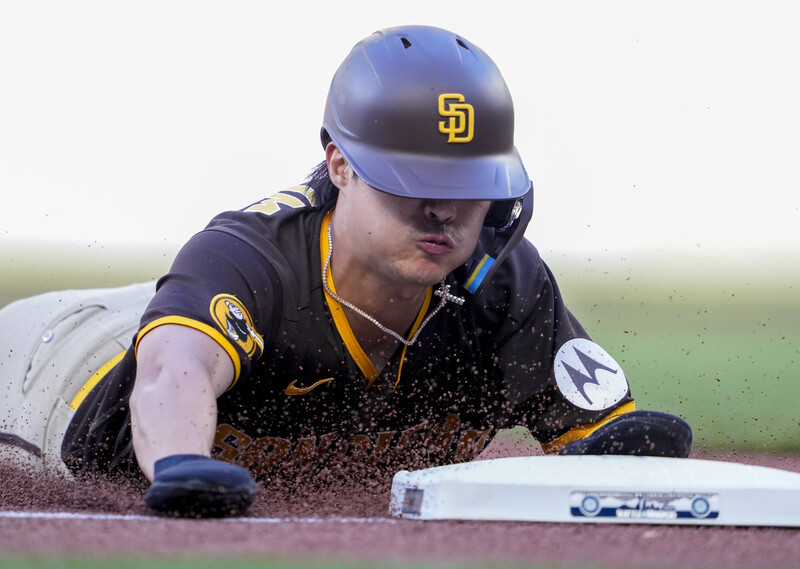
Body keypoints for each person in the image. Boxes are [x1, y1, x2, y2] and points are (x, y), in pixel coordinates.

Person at [0, 25, 692, 518]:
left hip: (185, 320)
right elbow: (171, 373)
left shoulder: (504, 287)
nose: (442, 213)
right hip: (58, 360)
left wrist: (623, 451)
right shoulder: (251, 255)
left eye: (466, 186)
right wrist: (181, 460)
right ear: (339, 164)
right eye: (412, 181)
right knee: (172, 332)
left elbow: (610, 442)